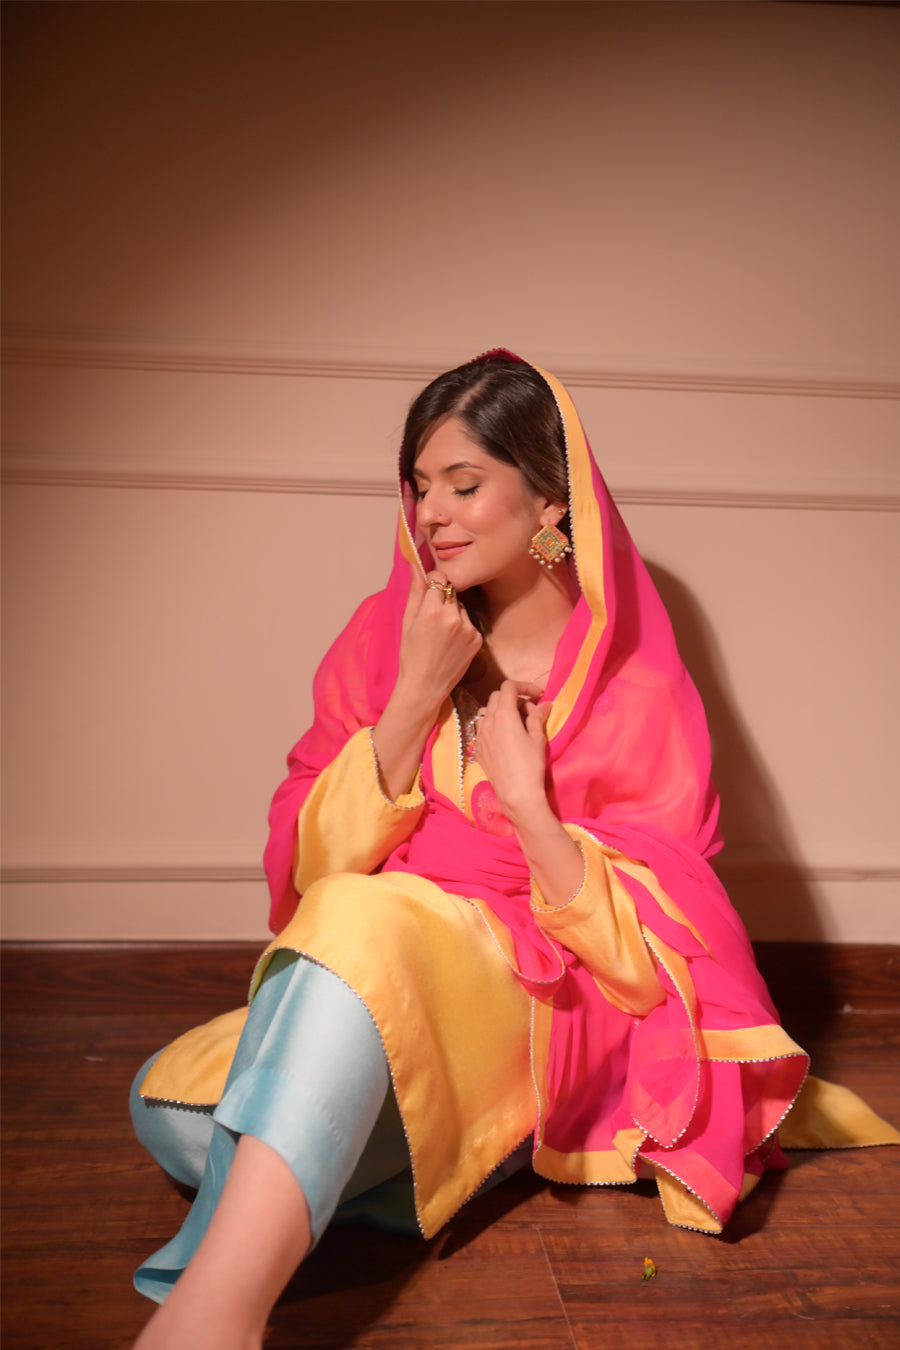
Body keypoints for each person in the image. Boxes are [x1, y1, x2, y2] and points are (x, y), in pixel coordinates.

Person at [130, 351, 898, 1350]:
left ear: (548, 503)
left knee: (362, 930)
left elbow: (646, 966)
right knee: (169, 1107)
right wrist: (414, 695)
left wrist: (533, 814)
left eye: (465, 483)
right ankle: (489, 1147)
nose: (431, 513)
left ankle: (215, 1315)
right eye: (418, 486)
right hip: (377, 971)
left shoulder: (633, 686)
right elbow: (310, 874)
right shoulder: (387, 634)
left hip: (539, 997)